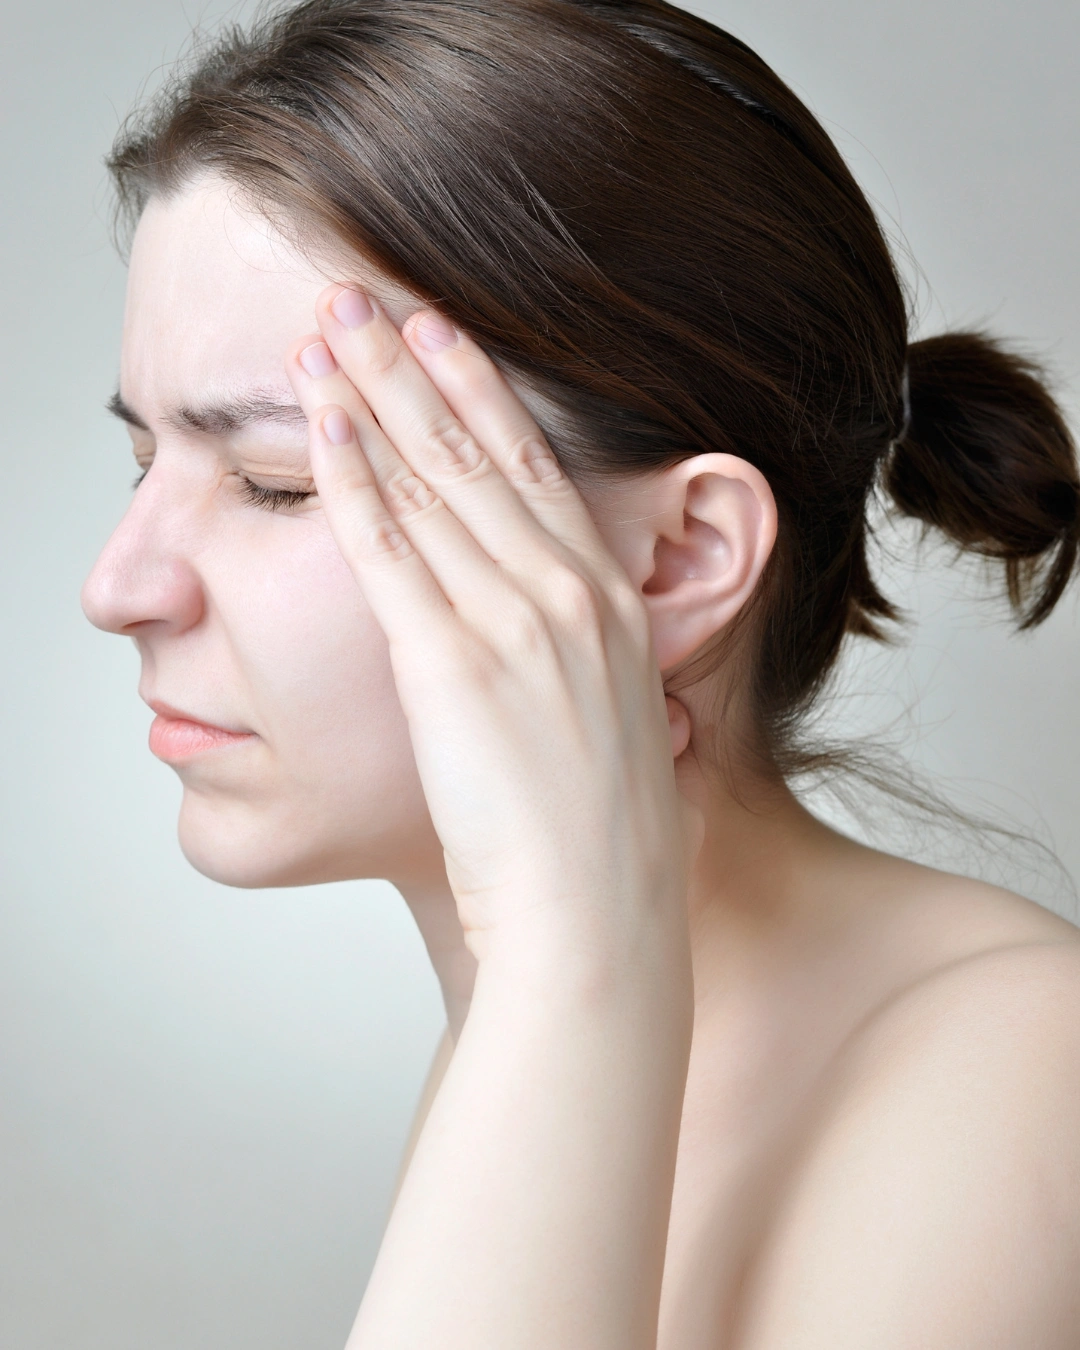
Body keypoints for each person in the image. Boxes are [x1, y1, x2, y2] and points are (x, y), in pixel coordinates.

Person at [81, 0, 1080, 1344]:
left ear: (677, 560)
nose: (118, 586)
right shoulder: (522, 1030)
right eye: (147, 462)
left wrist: (571, 958)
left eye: (277, 484)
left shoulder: (1022, 1073)